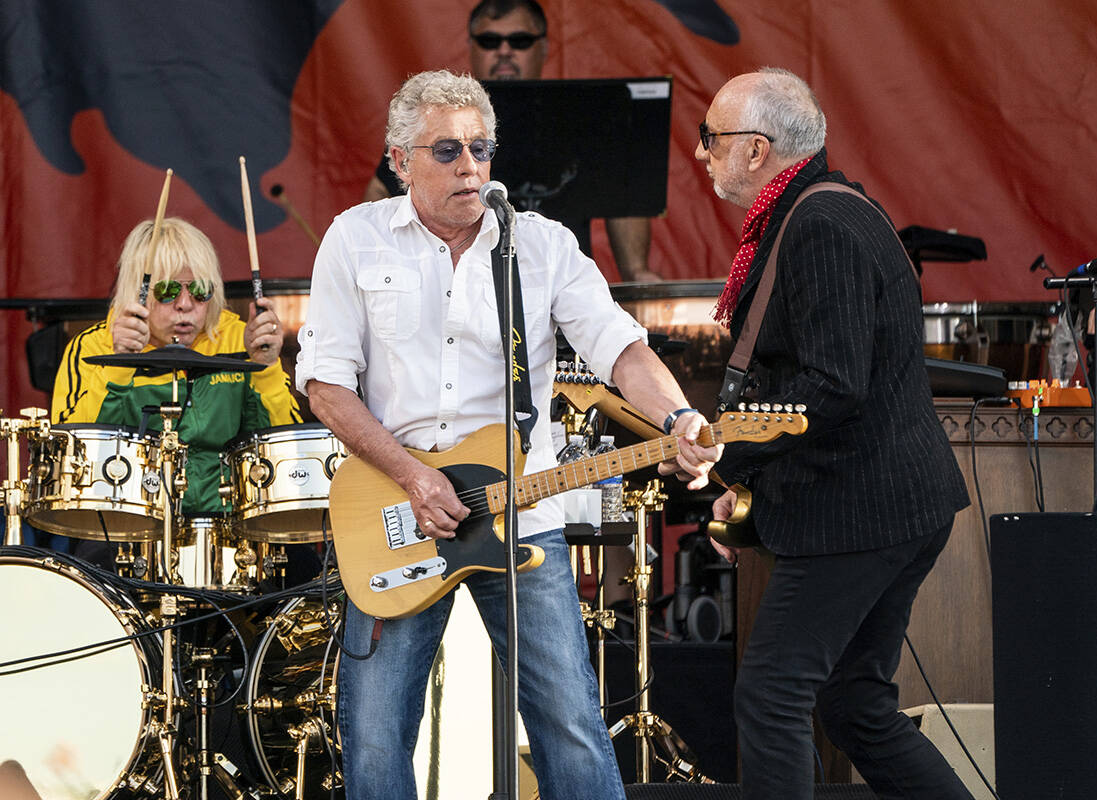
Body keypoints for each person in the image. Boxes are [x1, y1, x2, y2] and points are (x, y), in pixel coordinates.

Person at [297, 69, 719, 800]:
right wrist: (413, 476)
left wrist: (679, 417)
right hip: (400, 508)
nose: (469, 166)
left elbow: (621, 348)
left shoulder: (541, 246)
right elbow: (326, 383)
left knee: (570, 728)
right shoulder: (354, 239)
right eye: (446, 151)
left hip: (526, 514)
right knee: (372, 737)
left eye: (481, 148)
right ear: (399, 161)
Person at [696, 68, 973, 799]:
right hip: (885, 503)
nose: (702, 154)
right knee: (854, 703)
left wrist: (729, 448)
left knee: (771, 693)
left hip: (861, 507)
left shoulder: (820, 223)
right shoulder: (818, 212)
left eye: (711, 139)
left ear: (756, 151)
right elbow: (809, 387)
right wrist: (746, 484)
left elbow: (831, 386)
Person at [362, 0, 660, 283]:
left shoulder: (580, 114)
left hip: (559, 284)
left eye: (520, 41)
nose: (504, 51)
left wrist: (636, 271)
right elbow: (382, 187)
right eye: (490, 41)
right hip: (459, 283)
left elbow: (623, 192)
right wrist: (394, 262)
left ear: (543, 46)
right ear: (471, 46)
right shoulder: (439, 119)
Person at [51, 217, 301, 515]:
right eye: (167, 291)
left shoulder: (241, 340)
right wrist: (118, 365)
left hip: (229, 522)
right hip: (126, 521)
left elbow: (286, 455)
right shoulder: (93, 347)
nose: (185, 303)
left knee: (305, 561)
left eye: (200, 290)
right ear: (137, 291)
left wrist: (267, 368)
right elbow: (68, 459)